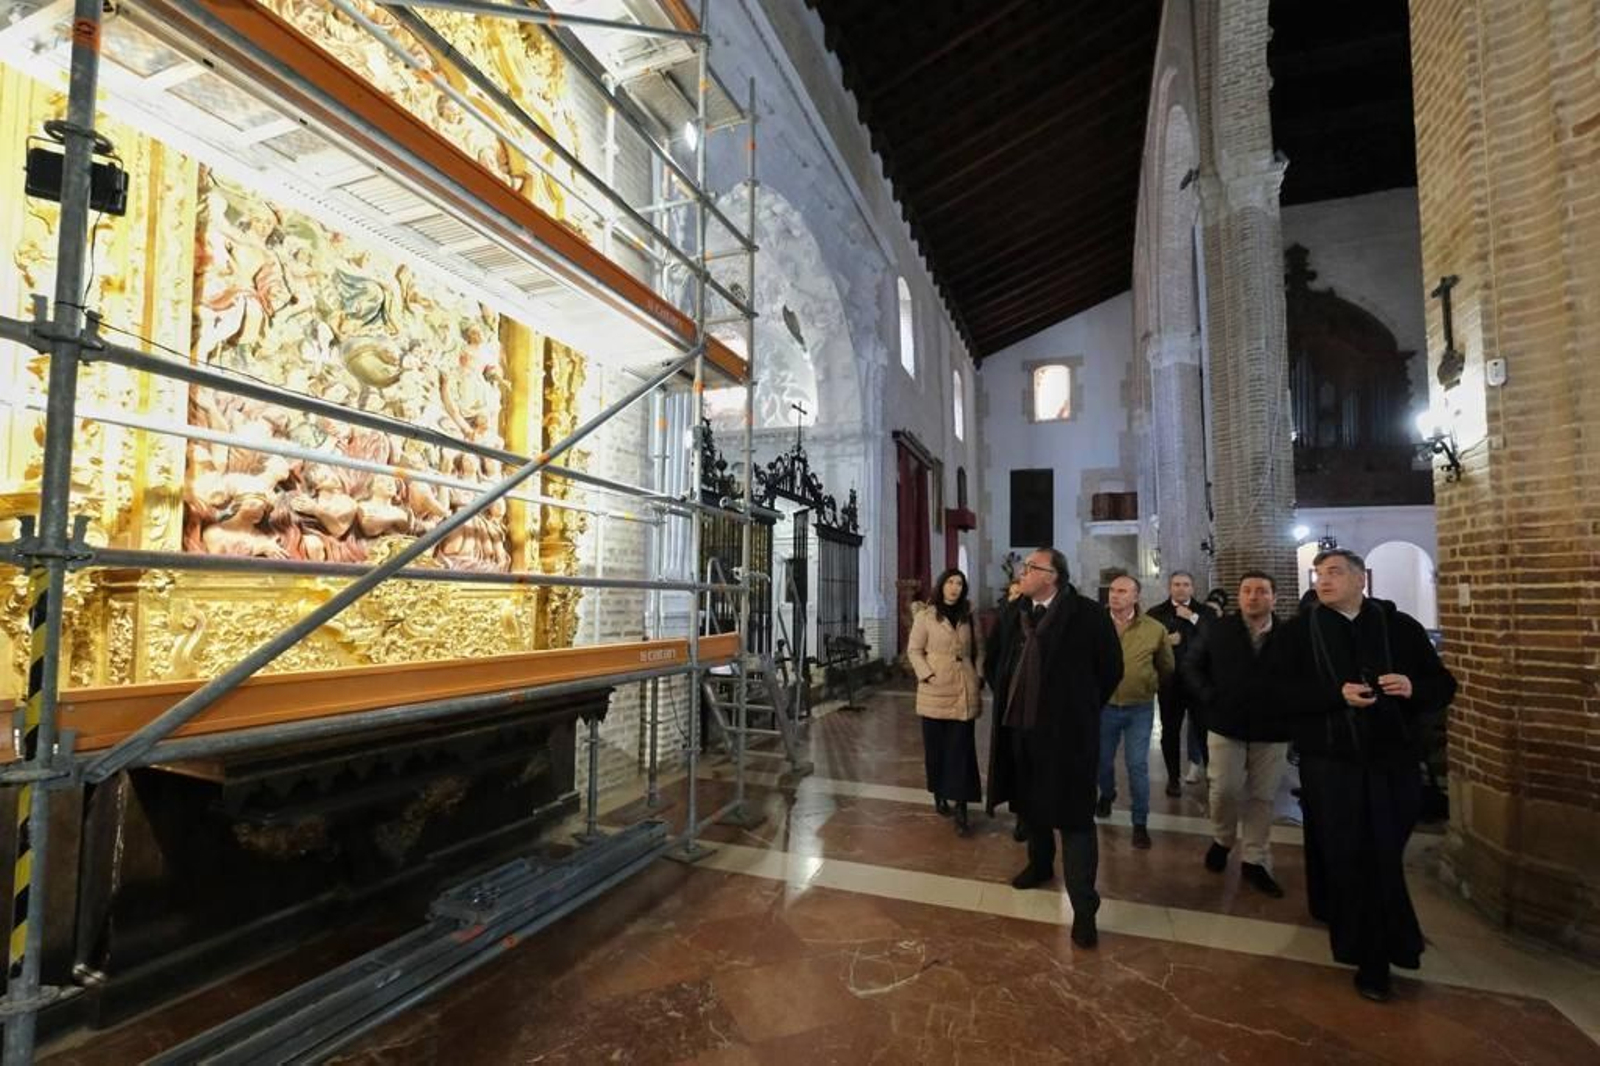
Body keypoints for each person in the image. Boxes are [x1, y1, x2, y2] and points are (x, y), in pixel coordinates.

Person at [1265, 548, 1456, 1002]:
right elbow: (1275, 692)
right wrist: (1334, 694)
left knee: (1384, 853)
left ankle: (1389, 937)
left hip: (1392, 760)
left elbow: (1442, 685)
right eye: (1319, 573)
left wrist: (1413, 687)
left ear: (1360, 580)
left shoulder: (1398, 627)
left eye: (1334, 572)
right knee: (1352, 853)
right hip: (1332, 763)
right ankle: (1372, 956)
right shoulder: (1298, 633)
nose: (1323, 580)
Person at [1001, 548, 1122, 949]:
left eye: (1031, 567)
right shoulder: (1015, 612)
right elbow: (996, 661)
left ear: (1052, 576)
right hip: (1022, 728)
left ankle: (1084, 909)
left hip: (1069, 735)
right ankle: (1038, 865)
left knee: (1074, 819)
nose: (1023, 571)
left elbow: (1111, 669)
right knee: (1031, 805)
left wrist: (1081, 709)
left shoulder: (1086, 615)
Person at [1182, 570, 1292, 897]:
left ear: (1274, 597)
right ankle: (1223, 837)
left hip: (1272, 728)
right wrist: (1209, 696)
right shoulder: (1218, 629)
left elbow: (1302, 676)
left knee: (1262, 796)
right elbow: (1190, 664)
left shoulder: (1289, 635)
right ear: (1239, 596)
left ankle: (1255, 859)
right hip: (1226, 723)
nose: (1253, 597)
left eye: (1261, 591)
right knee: (1224, 790)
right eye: (1247, 591)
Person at [1095, 573, 1175, 849]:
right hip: (1104, 707)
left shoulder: (1153, 629)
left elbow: (1166, 666)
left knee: (1137, 764)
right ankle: (1107, 793)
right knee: (1102, 761)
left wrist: (1147, 684)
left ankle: (1139, 822)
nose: (1114, 595)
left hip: (1138, 708)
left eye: (1122, 591)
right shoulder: (1095, 624)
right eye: (1112, 590)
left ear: (1136, 596)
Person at [907, 568, 985, 836]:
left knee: (962, 751)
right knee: (937, 749)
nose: (954, 588)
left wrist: (979, 673)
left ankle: (961, 808)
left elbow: (979, 649)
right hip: (934, 690)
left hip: (963, 689)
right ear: (941, 586)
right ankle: (939, 792)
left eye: (959, 583)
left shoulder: (969, 615)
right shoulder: (926, 616)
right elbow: (914, 651)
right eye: (950, 582)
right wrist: (927, 674)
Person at [1147, 571, 1209, 796]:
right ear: (1169, 587)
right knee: (1170, 732)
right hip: (1170, 683)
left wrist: (1192, 617)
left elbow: (1215, 638)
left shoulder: (1205, 612)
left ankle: (1212, 777)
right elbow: (1146, 644)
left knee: (1204, 731)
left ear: (1193, 588)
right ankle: (1173, 778)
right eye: (1176, 584)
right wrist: (1164, 641)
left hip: (1200, 683)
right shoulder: (1155, 613)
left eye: (1186, 584)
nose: (1181, 588)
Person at [984, 580, 1028, 841]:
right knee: (1016, 759)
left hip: (1043, 705)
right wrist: (1002, 688)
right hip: (1012, 701)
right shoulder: (1008, 616)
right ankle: (1022, 814)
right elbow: (992, 657)